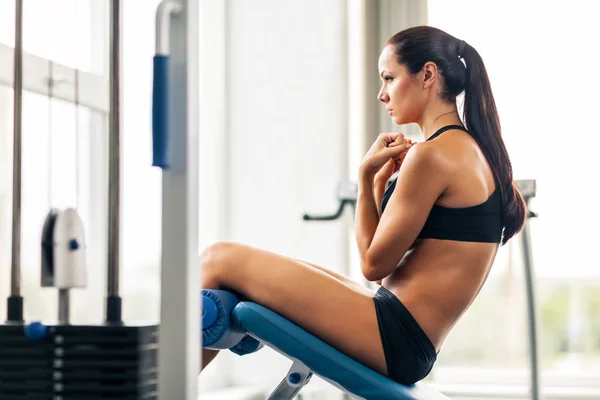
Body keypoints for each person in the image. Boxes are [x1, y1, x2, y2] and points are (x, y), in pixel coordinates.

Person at [198, 25, 527, 385]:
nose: (381, 94)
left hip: (396, 335)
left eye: (389, 78)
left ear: (428, 75)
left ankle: (161, 387)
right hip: (406, 338)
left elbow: (373, 264)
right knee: (239, 273)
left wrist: (365, 176)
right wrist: (375, 181)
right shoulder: (472, 152)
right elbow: (386, 271)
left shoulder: (432, 157)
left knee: (219, 258)